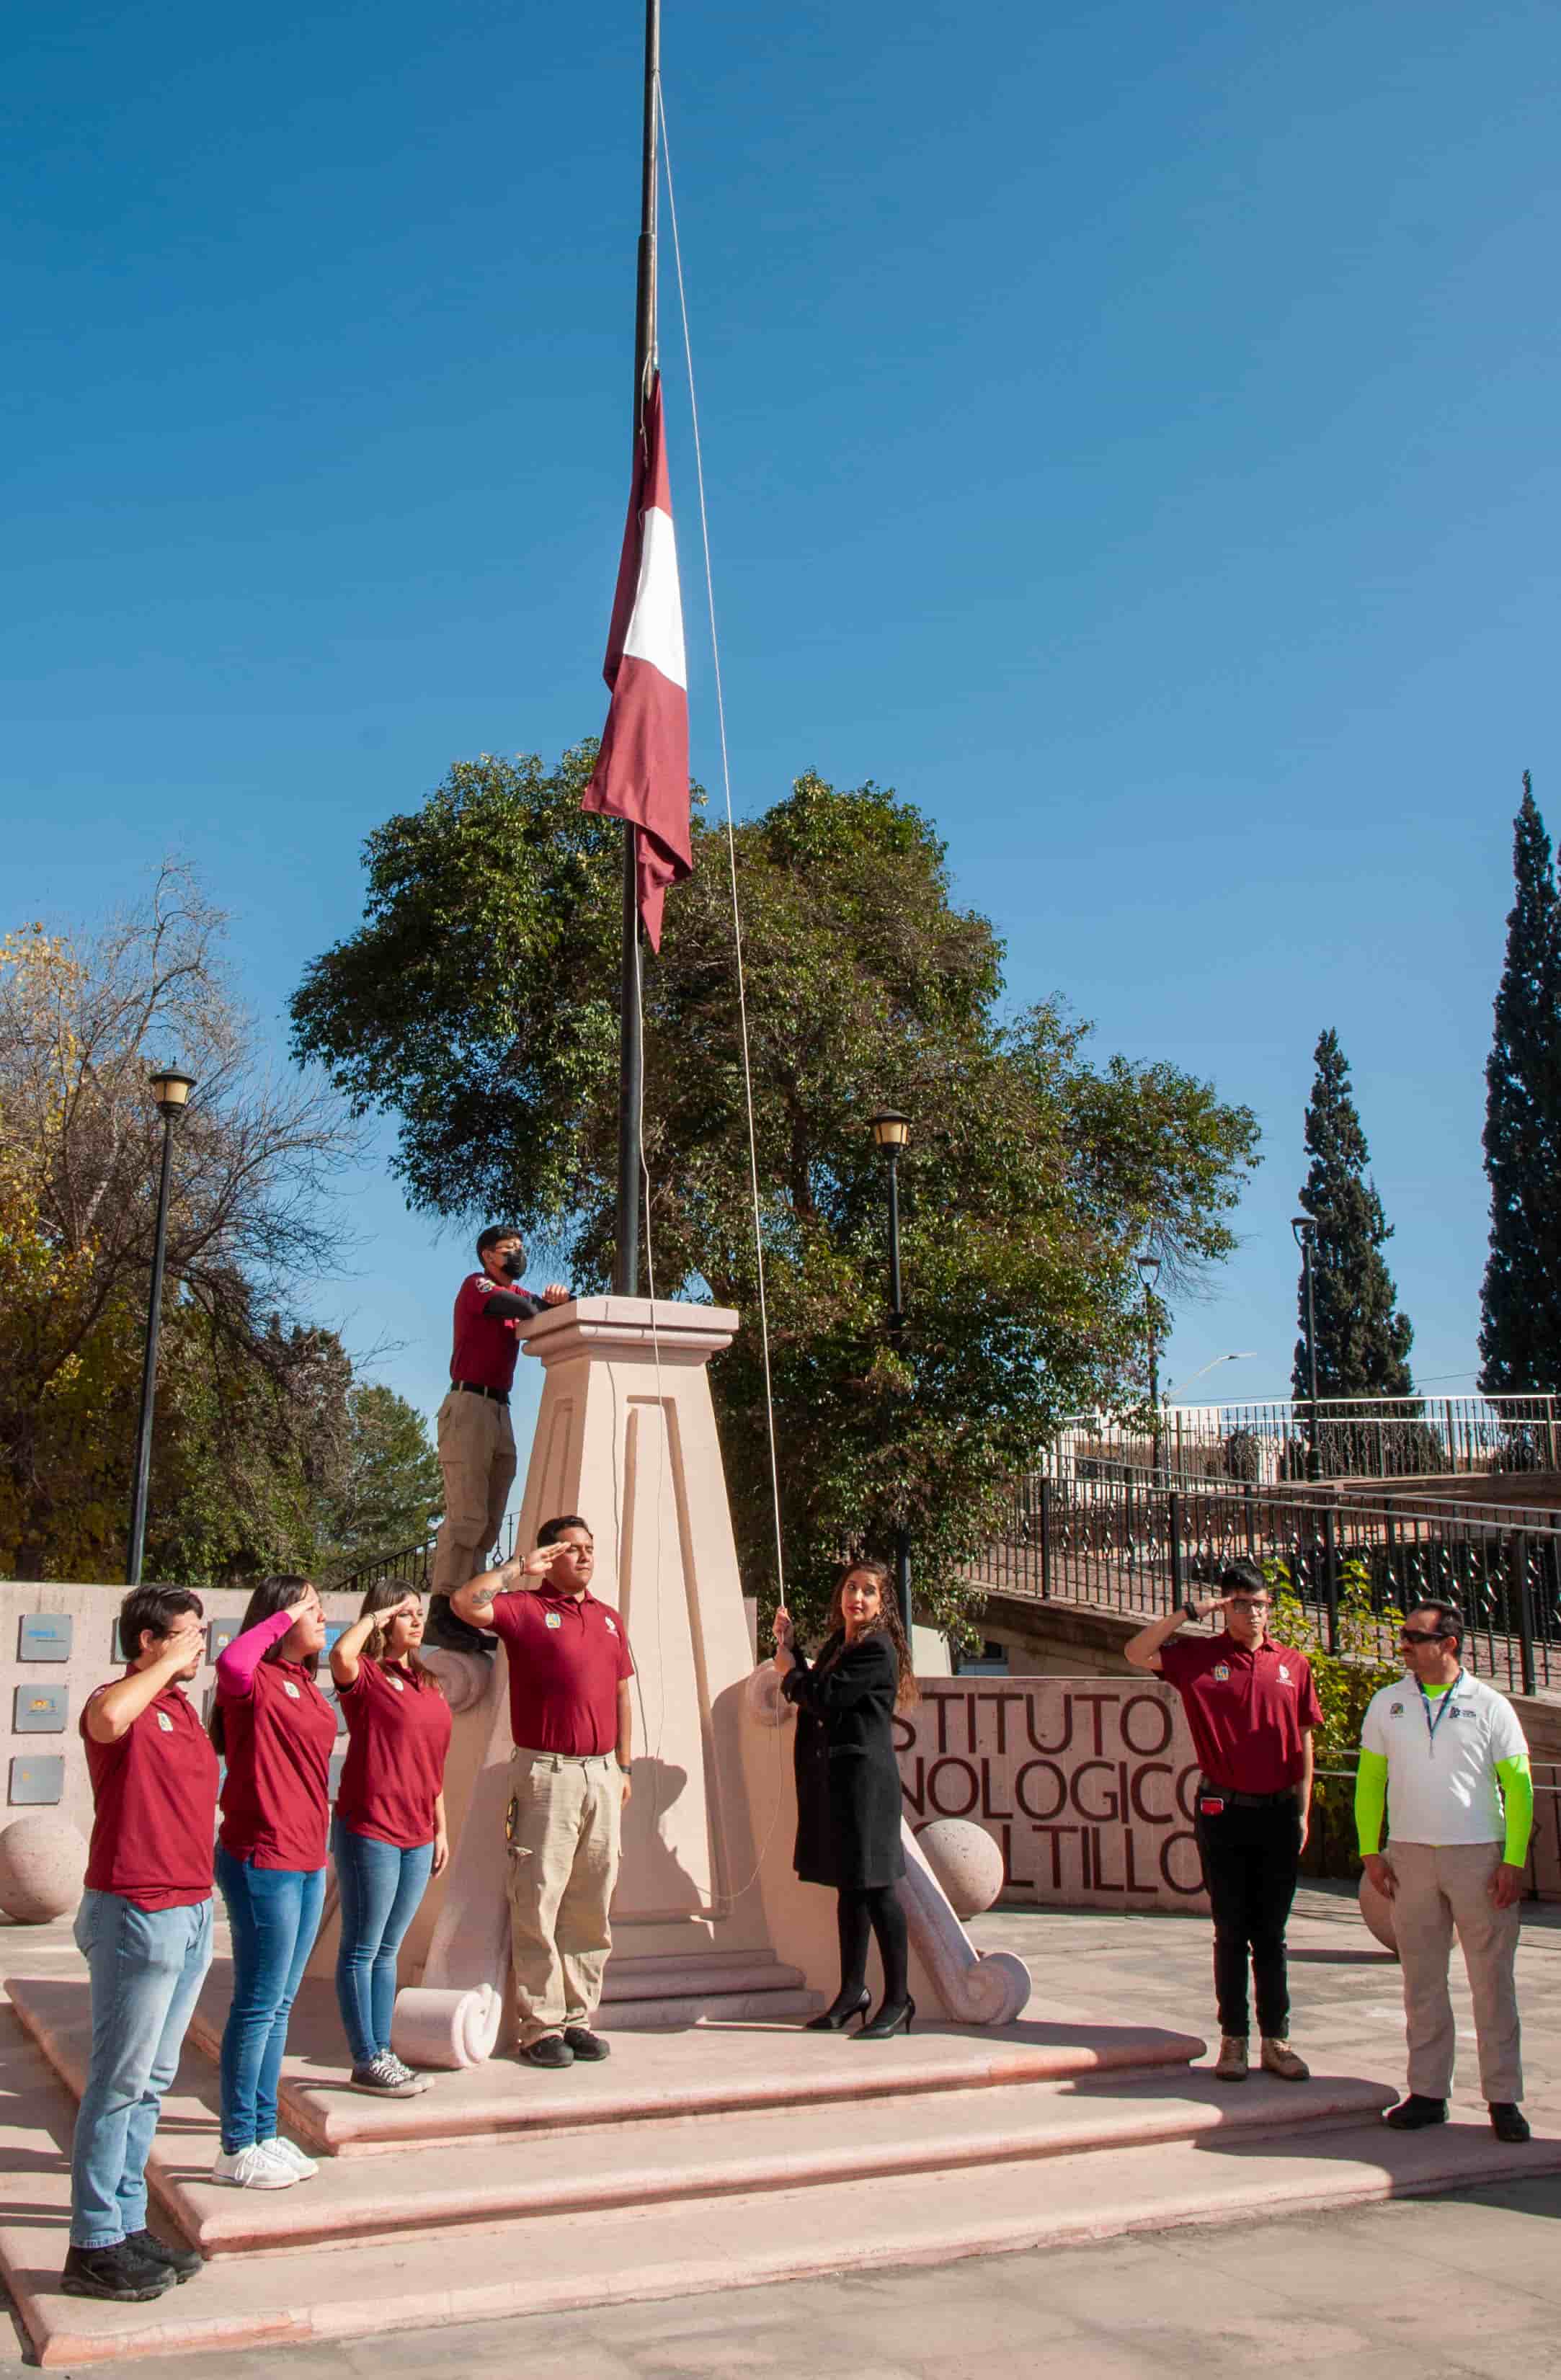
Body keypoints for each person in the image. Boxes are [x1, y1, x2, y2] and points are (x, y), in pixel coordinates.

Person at [63, 1586, 218, 2303]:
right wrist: (162, 1666)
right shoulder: (120, 1697)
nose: (201, 1645)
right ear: (149, 1641)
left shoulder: (181, 1711)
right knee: (118, 2082)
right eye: (189, 1636)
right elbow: (105, 1719)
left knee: (152, 2081)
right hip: (135, 1911)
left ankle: (127, 2224)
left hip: (187, 1913)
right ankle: (93, 2243)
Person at [1124, 1559, 1321, 2083]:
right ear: (1225, 1606)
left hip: (1279, 1810)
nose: (1253, 1613)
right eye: (1242, 1603)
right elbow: (1136, 1652)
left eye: (1260, 1604)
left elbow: (1304, 1737)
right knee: (1231, 1928)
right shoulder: (1199, 1657)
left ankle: (1277, 2040)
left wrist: (1303, 1808)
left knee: (1272, 1933)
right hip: (1223, 1808)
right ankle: (1233, 2039)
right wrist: (1191, 1612)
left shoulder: (1293, 1664)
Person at [449, 1516, 634, 2068]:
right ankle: (540, 2024)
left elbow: (623, 1692)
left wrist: (624, 1766)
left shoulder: (608, 1619)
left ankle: (578, 2016)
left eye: (590, 1548)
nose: (583, 1557)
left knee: (591, 1903)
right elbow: (465, 1602)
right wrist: (515, 1569)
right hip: (547, 1773)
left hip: (601, 1774)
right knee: (538, 1897)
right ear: (550, 1555)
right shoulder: (527, 1608)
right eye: (572, 1548)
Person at [1356, 1599, 1534, 2144]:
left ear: (1449, 1645)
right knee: (1422, 1979)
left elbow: (1520, 1786)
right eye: (1403, 1633)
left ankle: (1503, 2098)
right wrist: (1370, 1849)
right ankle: (1428, 2092)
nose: (1403, 1642)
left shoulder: (1489, 1704)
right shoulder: (1389, 1703)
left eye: (1415, 1635)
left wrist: (1514, 1858)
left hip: (1479, 1853)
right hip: (1410, 1853)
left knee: (1490, 1980)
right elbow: (1370, 1780)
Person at [210, 1575, 335, 2188]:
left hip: (309, 1857)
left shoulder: (306, 1684)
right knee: (257, 2003)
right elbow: (231, 1658)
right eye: (309, 1606)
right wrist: (284, 1618)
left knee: (279, 2003)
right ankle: (236, 2142)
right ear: (278, 1618)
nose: (321, 1614)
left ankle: (263, 2128)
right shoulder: (250, 1679)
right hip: (264, 1857)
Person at [771, 1560, 919, 2041]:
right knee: (851, 1889)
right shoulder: (844, 1642)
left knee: (877, 1890)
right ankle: (853, 1991)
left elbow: (827, 1696)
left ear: (882, 1603)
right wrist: (791, 1649)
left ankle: (898, 1999)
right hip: (840, 1782)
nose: (857, 1597)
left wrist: (790, 1676)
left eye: (868, 1591)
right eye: (851, 1588)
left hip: (867, 1785)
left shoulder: (876, 1649)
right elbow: (820, 1681)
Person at [330, 1579, 453, 2096]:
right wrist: (375, 1618)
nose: (417, 1620)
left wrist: (441, 1825)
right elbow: (340, 1652)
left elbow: (433, 1763)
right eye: (406, 1613)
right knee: (362, 1945)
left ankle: (383, 2051)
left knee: (388, 1948)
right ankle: (367, 2056)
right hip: (371, 1828)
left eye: (419, 1612)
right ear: (383, 1621)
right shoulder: (367, 1677)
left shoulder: (429, 1681)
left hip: (418, 1832)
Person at [425, 1226, 570, 1653]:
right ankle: (441, 1612)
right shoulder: (478, 1285)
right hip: (468, 1403)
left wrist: (559, 1301)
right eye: (509, 1250)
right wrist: (541, 1304)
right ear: (489, 1256)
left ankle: (466, 1608)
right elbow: (513, 1304)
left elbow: (551, 1312)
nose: (518, 1256)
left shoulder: (520, 1294)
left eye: (521, 1250)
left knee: (488, 1522)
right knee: (466, 1516)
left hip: (500, 1408)